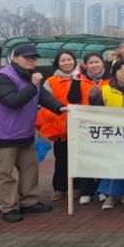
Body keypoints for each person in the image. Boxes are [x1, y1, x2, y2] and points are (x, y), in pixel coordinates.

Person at [0, 44, 64, 223]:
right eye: (27, 57)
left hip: (25, 134)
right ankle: (9, 207)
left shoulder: (31, 76)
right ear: (15, 58)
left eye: (34, 57)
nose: (31, 60)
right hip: (4, 136)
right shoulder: (3, 77)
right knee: (4, 174)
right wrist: (33, 85)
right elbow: (13, 101)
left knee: (30, 169)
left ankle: (29, 202)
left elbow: (43, 96)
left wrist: (60, 108)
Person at [89, 59, 124, 210]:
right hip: (112, 134)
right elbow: (97, 112)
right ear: (114, 73)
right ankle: (110, 195)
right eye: (121, 70)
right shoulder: (105, 90)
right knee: (112, 164)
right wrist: (93, 98)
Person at [36, 50, 86, 201]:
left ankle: (77, 186)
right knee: (61, 159)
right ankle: (59, 187)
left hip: (80, 126)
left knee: (79, 157)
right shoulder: (51, 81)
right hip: (60, 127)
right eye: (63, 60)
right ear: (57, 63)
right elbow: (45, 102)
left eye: (69, 59)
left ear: (74, 61)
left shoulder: (82, 78)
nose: (66, 63)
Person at [74, 52, 111, 205]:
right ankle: (87, 191)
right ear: (86, 65)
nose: (94, 65)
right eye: (91, 63)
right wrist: (75, 82)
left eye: (97, 62)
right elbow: (72, 99)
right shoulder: (79, 79)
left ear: (102, 63)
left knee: (103, 157)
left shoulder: (110, 80)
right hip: (85, 124)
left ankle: (102, 189)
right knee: (86, 158)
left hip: (105, 124)